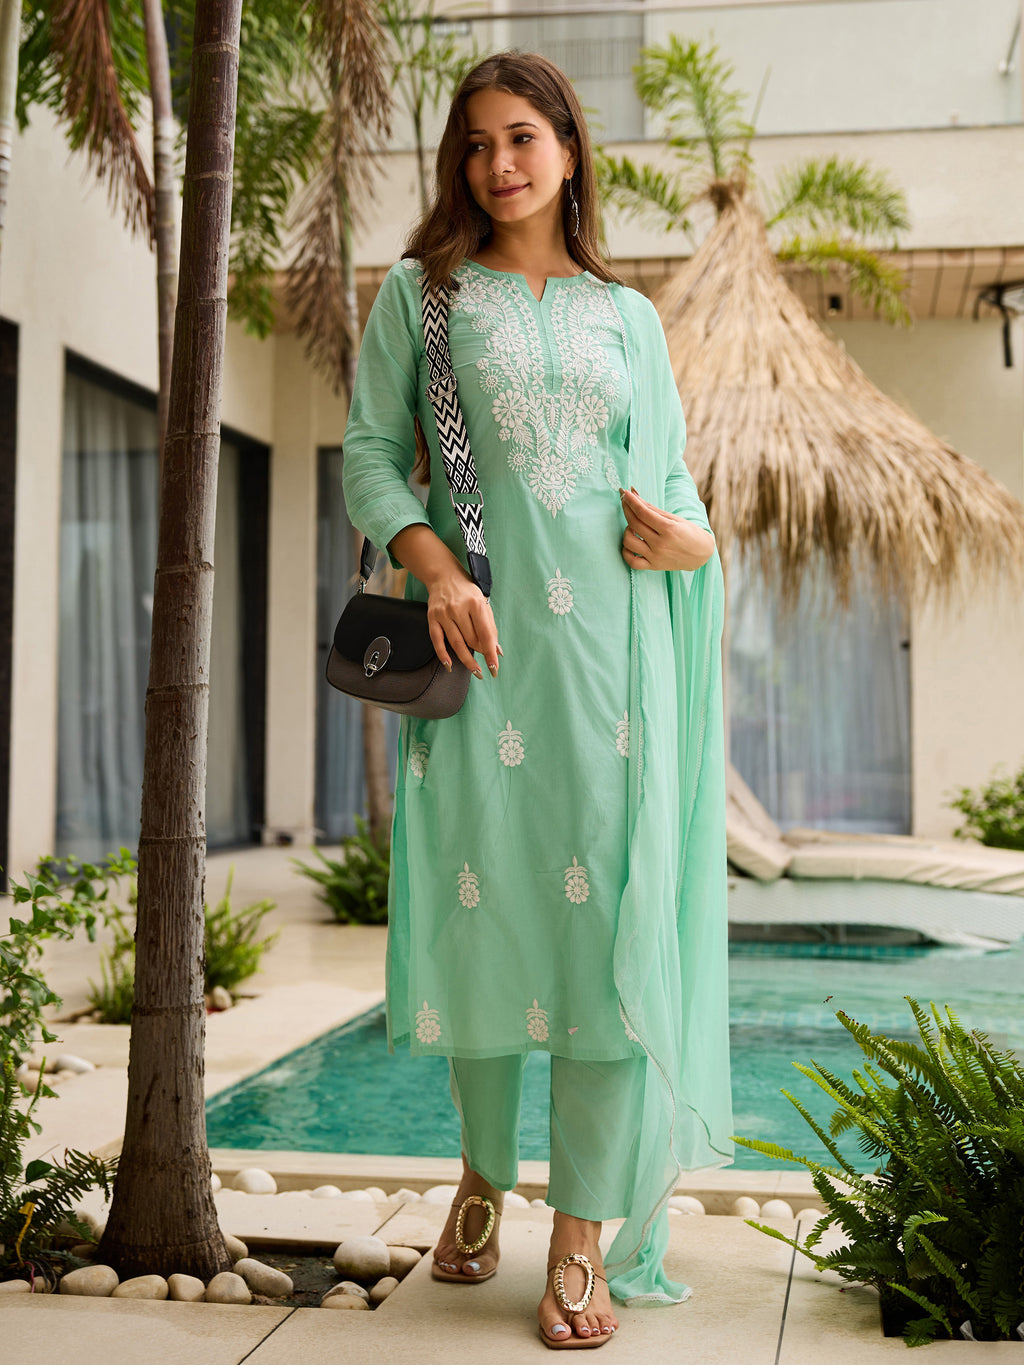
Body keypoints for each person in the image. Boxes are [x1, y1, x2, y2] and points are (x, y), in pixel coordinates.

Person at [342, 50, 732, 1350]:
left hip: (614, 677)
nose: (496, 164)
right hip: (490, 662)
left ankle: (579, 1237)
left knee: (609, 948)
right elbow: (370, 461)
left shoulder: (631, 320)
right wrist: (438, 566)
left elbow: (671, 500)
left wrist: (696, 549)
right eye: (473, 145)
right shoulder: (426, 295)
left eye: (521, 138)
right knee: (490, 921)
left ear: (569, 150)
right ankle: (484, 1173)